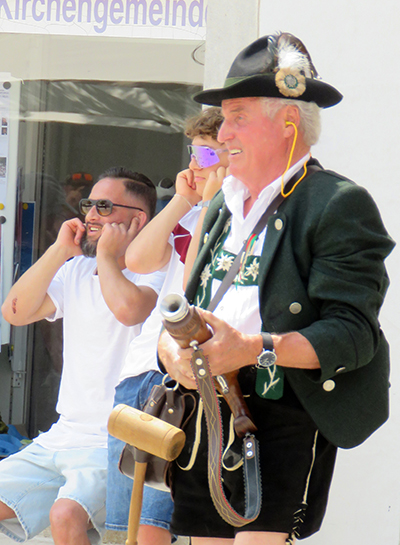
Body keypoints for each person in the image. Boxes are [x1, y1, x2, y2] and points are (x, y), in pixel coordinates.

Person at [157, 32, 395, 545]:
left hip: (282, 411)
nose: (222, 132)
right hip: (207, 410)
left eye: (237, 116)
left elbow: (353, 334)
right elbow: (187, 303)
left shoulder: (337, 202)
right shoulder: (221, 204)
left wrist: (253, 348)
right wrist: (170, 352)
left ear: (288, 121)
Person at [0, 167, 165, 545]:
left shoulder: (157, 270)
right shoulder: (76, 268)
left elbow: (128, 310)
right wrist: (59, 250)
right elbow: (15, 312)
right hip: (62, 435)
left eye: (104, 207)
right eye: (89, 204)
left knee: (65, 515)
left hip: (114, 441)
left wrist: (106, 255)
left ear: (138, 220)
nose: (90, 214)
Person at [105, 107, 229, 545]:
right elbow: (138, 259)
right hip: (145, 373)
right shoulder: (192, 213)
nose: (196, 164)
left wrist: (211, 204)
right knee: (130, 526)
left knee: (157, 526)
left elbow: (196, 278)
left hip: (186, 376)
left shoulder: (231, 216)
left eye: (208, 155)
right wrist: (184, 200)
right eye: (193, 152)